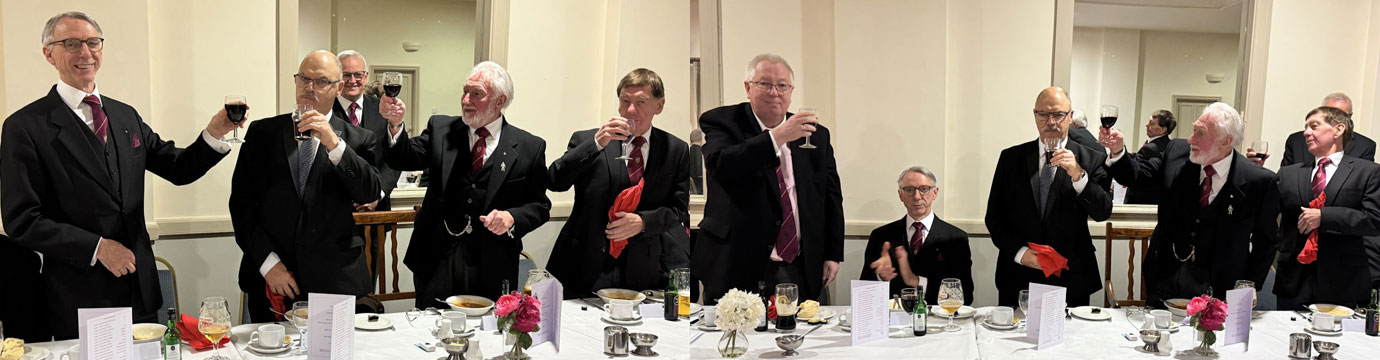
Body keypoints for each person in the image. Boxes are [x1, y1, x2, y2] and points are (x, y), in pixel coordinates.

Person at [0, 12, 236, 339]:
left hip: (140, 291)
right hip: (80, 295)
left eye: (93, 42)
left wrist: (213, 133)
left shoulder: (125, 115)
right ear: (49, 54)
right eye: (71, 43)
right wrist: (97, 247)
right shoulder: (24, 127)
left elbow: (177, 169)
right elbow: (21, 219)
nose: (85, 52)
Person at [381, 61, 551, 308]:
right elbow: (404, 157)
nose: (465, 99)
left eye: (476, 93)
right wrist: (395, 125)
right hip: (436, 258)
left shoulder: (529, 147)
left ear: (500, 101)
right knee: (432, 330)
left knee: (487, 334)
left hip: (492, 262)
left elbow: (540, 205)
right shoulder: (441, 129)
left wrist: (511, 217)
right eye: (465, 91)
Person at [229, 50, 382, 322]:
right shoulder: (263, 133)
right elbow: (241, 205)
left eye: (321, 81)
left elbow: (369, 192)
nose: (309, 87)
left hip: (334, 280)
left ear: (338, 88)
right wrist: (268, 263)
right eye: (304, 79)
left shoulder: (359, 139)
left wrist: (333, 143)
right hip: (273, 278)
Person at [693, 54, 844, 304]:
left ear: (791, 90)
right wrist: (776, 138)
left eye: (782, 85)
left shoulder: (815, 135)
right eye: (765, 84)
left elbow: (830, 196)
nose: (774, 92)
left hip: (799, 262)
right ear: (748, 88)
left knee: (799, 333)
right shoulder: (722, 121)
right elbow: (721, 164)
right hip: (736, 261)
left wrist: (832, 253)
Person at [1101, 102, 1279, 306]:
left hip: (1220, 284)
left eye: (1200, 134)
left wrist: (1248, 286)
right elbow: (1139, 175)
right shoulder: (1177, 152)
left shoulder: (1259, 181)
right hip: (1166, 275)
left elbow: (1266, 242)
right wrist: (1117, 152)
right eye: (1193, 130)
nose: (1190, 139)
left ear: (1225, 141)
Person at [546, 68, 691, 298]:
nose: (631, 110)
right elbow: (555, 180)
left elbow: (678, 210)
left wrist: (643, 221)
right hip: (583, 265)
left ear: (659, 106)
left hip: (641, 267)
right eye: (625, 101)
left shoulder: (676, 150)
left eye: (641, 102)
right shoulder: (588, 140)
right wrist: (596, 144)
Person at [985, 87, 1111, 307]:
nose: (1051, 121)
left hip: (1071, 276)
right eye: (1043, 114)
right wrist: (1020, 253)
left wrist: (1078, 175)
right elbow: (995, 218)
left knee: (1072, 341)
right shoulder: (1011, 159)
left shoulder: (1093, 158)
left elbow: (1102, 212)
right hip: (1018, 274)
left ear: (1070, 117)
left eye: (1058, 114)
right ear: (1035, 116)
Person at [1273, 106, 1380, 309]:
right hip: (1294, 281)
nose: (1306, 133)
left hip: (1342, 282)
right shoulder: (1289, 173)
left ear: (1338, 130)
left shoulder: (1367, 172)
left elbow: (1374, 221)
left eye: (1314, 126)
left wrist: (1326, 217)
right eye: (1305, 127)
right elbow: (1267, 215)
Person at [860, 166, 973, 304]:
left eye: (924, 189)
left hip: (937, 319)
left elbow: (965, 295)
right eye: (909, 190)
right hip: (893, 320)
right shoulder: (881, 236)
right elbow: (865, 293)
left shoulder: (956, 238)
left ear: (935, 193)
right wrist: (880, 278)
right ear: (900, 195)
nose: (917, 196)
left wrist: (917, 282)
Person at [334, 50, 402, 212]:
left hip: (378, 212)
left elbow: (395, 158)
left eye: (358, 75)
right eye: (346, 75)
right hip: (337, 210)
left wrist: (377, 194)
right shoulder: (326, 111)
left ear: (366, 76)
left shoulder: (383, 109)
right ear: (337, 77)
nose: (352, 81)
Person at [1275, 93, 1376, 167]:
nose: (1337, 121)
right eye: (1330, 115)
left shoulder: (1365, 146)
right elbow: (1283, 181)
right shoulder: (1297, 141)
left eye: (1343, 116)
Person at [1125, 110, 1175, 204]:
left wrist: (1119, 150)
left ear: (1162, 130)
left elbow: (1135, 170)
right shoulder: (1168, 145)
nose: (1147, 125)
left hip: (1141, 200)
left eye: (1151, 123)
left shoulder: (1151, 149)